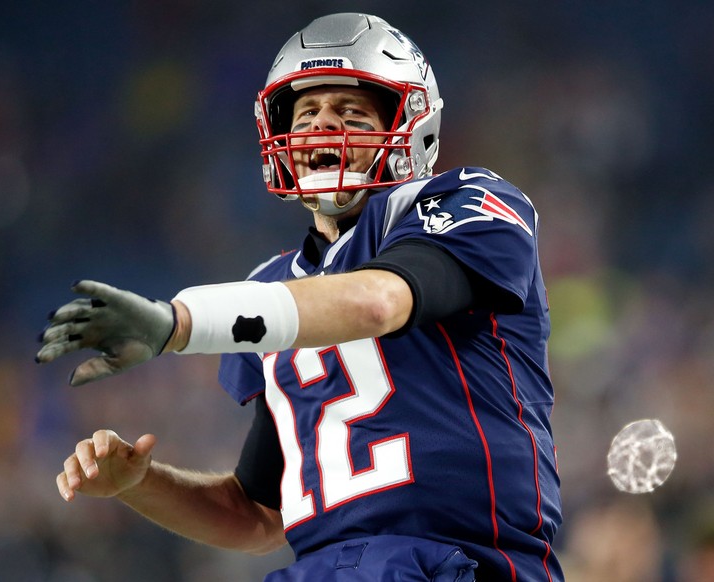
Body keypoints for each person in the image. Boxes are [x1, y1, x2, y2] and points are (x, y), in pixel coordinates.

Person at [37, 12, 563, 581]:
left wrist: (179, 322)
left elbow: (378, 303)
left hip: (454, 562)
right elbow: (258, 516)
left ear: (413, 126)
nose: (320, 126)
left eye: (350, 111)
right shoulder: (269, 288)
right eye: (306, 112)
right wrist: (140, 484)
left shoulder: (467, 202)